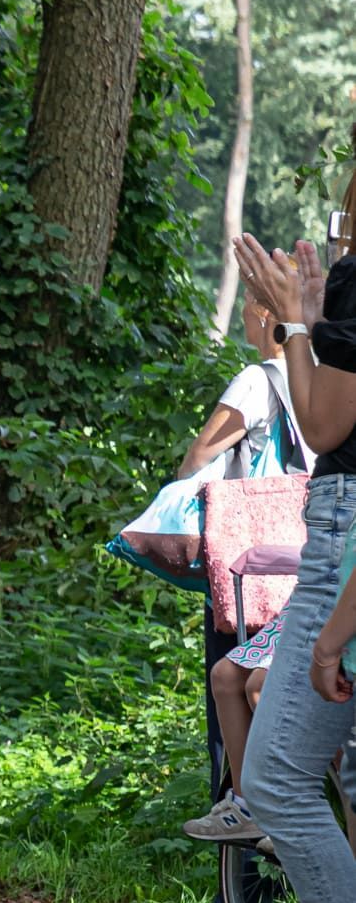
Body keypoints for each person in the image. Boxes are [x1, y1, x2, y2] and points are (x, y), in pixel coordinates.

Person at [231, 192, 356, 903]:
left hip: (345, 532)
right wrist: (298, 326)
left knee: (274, 777)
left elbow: (322, 426)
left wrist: (297, 323)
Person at [173, 287, 302, 842]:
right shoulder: (320, 380)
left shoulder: (258, 379)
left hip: (251, 570)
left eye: (252, 300)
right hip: (309, 568)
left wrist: (179, 502)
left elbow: (199, 456)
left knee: (231, 710)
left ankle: (245, 886)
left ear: (268, 312)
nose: (247, 312)